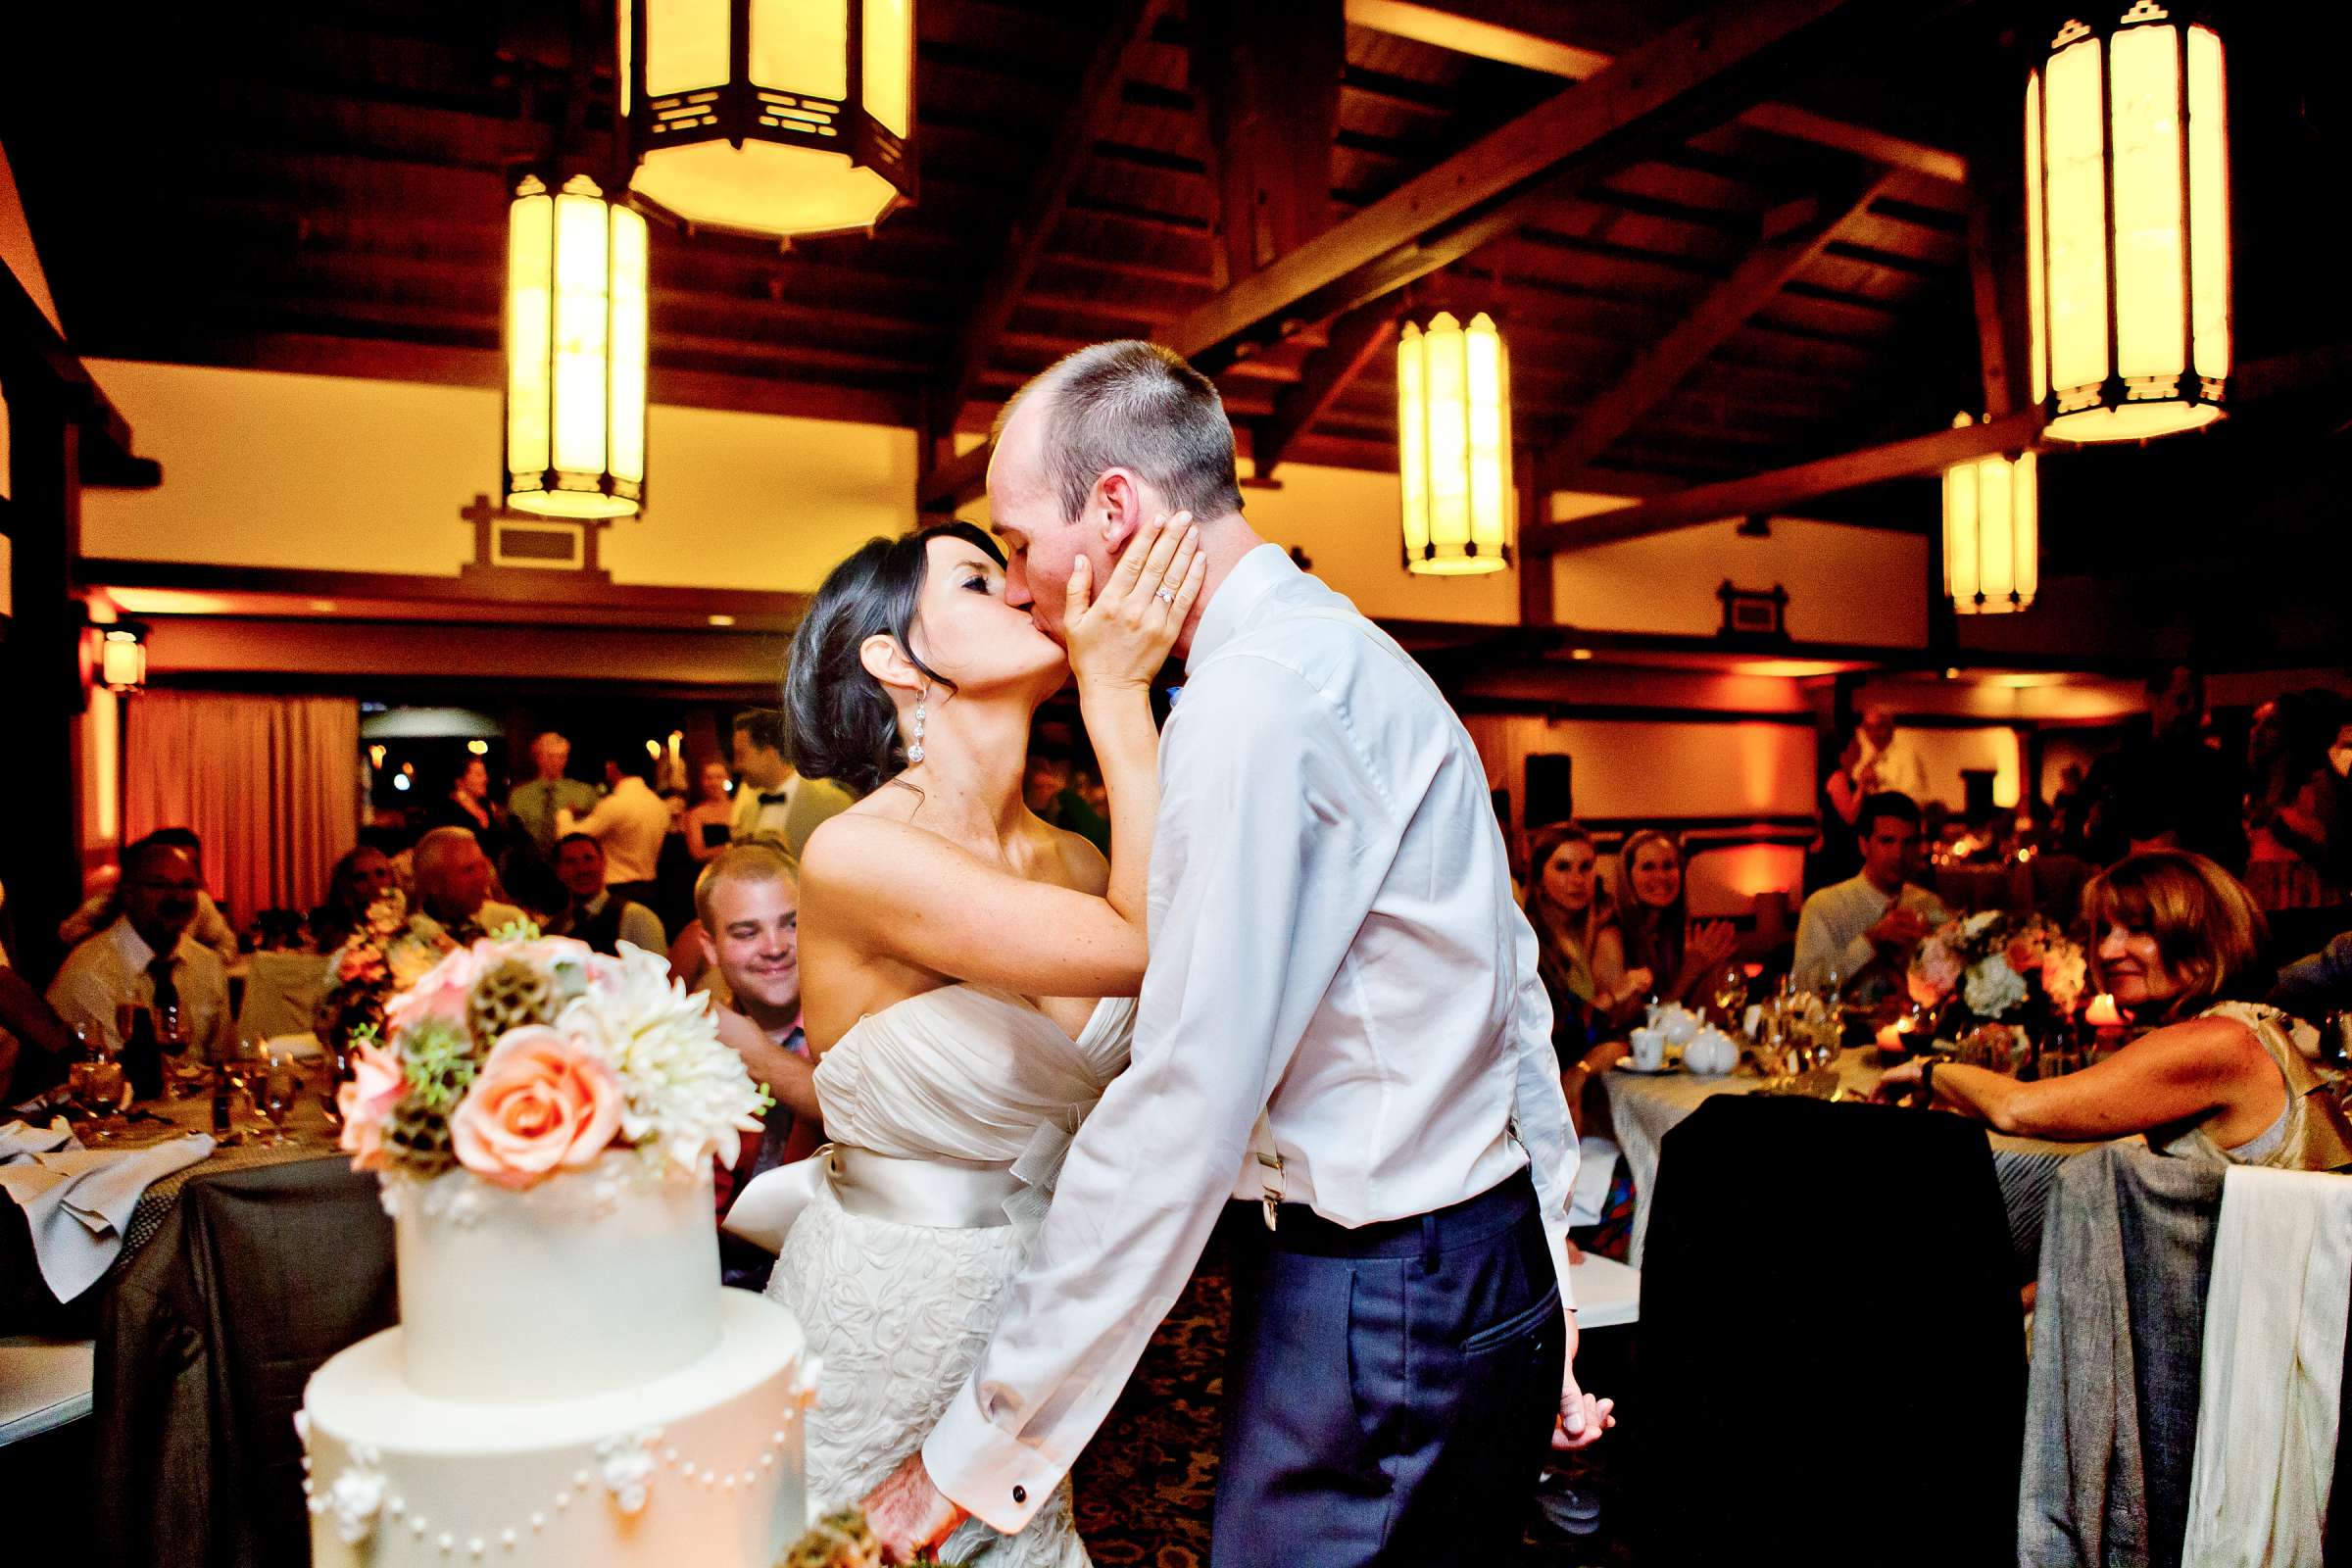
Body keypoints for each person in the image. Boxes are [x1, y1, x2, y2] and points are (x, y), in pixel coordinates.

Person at [860, 341, 1606, 1565]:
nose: (1026, 584)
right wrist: (1549, 1283)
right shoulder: (1345, 650)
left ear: (1114, 510)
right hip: (1471, 1264)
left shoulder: (1253, 702)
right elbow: (1516, 998)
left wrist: (972, 1452)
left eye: (1021, 540)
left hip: (1381, 1305)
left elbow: (1188, 1099)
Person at [749, 509, 1195, 1565]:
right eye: (978, 583)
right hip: (878, 1313)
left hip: (1033, 1317)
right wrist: (1117, 694)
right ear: (895, 657)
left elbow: (1183, 957)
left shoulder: (1081, 863)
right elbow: (1144, 946)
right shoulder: (857, 857)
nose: (1026, 590)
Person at [1880, 851, 2352, 1170]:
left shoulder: (2217, 1042)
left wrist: (1927, 1072)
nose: (2107, 951)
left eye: (2137, 929)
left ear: (2205, 944)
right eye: (2105, 930)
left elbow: (2017, 1110)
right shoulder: (2244, 1025)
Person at [696, 846, 824, 1210]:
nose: (775, 947)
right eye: (746, 932)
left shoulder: (859, 1022)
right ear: (710, 948)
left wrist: (758, 1055)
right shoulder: (687, 1041)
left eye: (791, 923)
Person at [46, 834, 235, 1062]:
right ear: (129, 895)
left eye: (187, 885)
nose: (177, 897)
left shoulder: (207, 965)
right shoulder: (91, 973)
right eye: (160, 885)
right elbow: (121, 1074)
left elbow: (223, 1064)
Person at [2081, 663, 2244, 871]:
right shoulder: (2116, 767)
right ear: (2153, 700)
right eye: (2182, 700)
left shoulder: (2220, 768)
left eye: (2199, 701)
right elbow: (2080, 835)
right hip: (2133, 890)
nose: (2192, 709)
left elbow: (2232, 845)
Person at [1790, 792, 1948, 999]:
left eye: (1908, 843)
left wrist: (1930, 949)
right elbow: (1804, 987)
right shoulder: (1824, 907)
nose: (1898, 854)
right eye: (1887, 841)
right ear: (1864, 845)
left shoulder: (1929, 905)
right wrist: (1871, 941)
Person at [1524, 821, 1642, 1052]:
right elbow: (1557, 1038)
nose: (1577, 880)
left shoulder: (1583, 934)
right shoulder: (1530, 941)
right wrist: (1614, 995)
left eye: (1585, 867)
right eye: (1563, 867)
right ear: (1539, 878)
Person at [58, 829, 241, 966]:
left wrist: (198, 967)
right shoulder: (114, 900)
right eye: (160, 884)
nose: (177, 895)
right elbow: (69, 930)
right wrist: (116, 947)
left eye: (190, 864)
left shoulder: (197, 901)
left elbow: (226, 944)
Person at [2241, 689, 2345, 911]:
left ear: (2291, 731)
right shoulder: (2254, 789)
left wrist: (2279, 826)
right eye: (2255, 723)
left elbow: (2331, 851)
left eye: (2271, 724)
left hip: (2302, 891)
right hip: (2262, 891)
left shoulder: (2315, 783)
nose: (2258, 732)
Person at [1616, 829, 1740, 1011]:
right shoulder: (1613, 936)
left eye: (1668, 866)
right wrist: (1691, 971)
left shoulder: (1671, 932)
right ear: (1627, 876)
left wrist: (1708, 971)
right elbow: (1640, 1029)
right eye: (1648, 867)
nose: (1661, 876)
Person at [731, 710, 858, 863]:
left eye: (741, 755)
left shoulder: (833, 803)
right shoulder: (748, 810)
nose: (736, 766)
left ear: (770, 754)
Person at [559, 752, 669, 907]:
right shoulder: (659, 805)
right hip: (650, 888)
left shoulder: (614, 804)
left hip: (617, 890)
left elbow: (571, 838)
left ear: (613, 768)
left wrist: (565, 813)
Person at [544, 833, 666, 956]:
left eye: (589, 859)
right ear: (557, 870)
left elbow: (659, 973)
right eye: (570, 862)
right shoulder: (555, 924)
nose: (582, 870)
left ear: (603, 863)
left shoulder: (636, 918)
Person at [410, 825, 524, 945]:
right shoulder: (411, 944)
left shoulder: (509, 921)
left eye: (483, 866)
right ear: (434, 882)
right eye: (468, 870)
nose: (482, 878)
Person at [309, 845, 397, 951]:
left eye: (380, 873)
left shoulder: (409, 925)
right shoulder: (339, 937)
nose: (374, 884)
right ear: (346, 885)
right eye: (361, 877)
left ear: (392, 878)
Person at [428, 756, 501, 856]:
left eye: (485, 774)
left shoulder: (486, 805)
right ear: (460, 781)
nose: (486, 779)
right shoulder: (448, 811)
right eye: (478, 775)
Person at [1855, 706, 1929, 805]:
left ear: (1891, 728)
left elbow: (1915, 796)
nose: (1874, 734)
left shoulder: (1907, 756)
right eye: (1869, 728)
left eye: (1879, 727)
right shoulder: (1864, 759)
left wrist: (1880, 784)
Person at [683, 760, 737, 864]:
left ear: (728, 780)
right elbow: (697, 853)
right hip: (712, 871)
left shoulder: (739, 807)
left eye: (719, 777)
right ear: (702, 782)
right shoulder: (696, 814)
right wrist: (730, 847)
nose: (714, 782)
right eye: (709, 778)